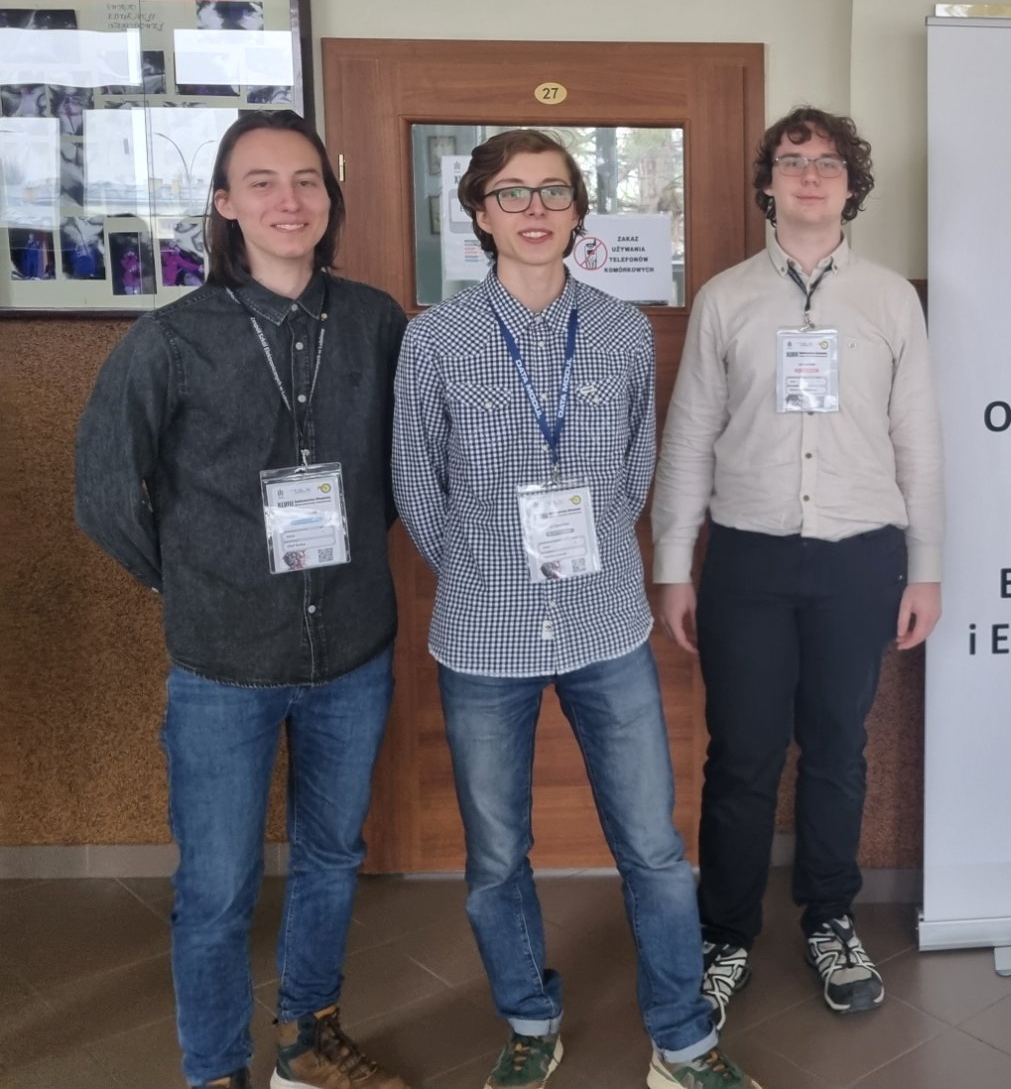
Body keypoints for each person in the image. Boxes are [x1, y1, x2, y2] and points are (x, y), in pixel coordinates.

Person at [393, 130, 755, 1089]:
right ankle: (528, 1020)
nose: (535, 210)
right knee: (496, 855)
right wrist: (481, 571)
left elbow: (636, 465)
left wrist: (584, 558)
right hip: (482, 633)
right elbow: (415, 481)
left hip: (605, 624)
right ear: (479, 214)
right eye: (512, 194)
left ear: (578, 212)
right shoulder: (435, 338)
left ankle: (683, 1041)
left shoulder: (622, 330)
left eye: (554, 192)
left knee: (654, 848)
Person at [75, 109, 410, 1089]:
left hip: (352, 647)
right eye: (260, 182)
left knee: (331, 859)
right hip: (223, 663)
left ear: (330, 200)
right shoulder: (170, 340)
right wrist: (192, 577)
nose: (287, 200)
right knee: (218, 889)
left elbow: (398, 468)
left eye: (307, 180)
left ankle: (307, 1042)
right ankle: (215, 1069)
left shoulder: (376, 322)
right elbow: (105, 493)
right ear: (224, 204)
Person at [652, 107, 942, 1026]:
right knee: (741, 755)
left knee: (838, 749)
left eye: (828, 163)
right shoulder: (725, 299)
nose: (810, 176)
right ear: (768, 183)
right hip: (747, 560)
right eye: (792, 161)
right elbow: (689, 436)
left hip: (862, 560)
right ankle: (725, 934)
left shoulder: (890, 301)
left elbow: (918, 442)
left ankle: (829, 919)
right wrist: (673, 563)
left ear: (852, 186)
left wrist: (926, 568)